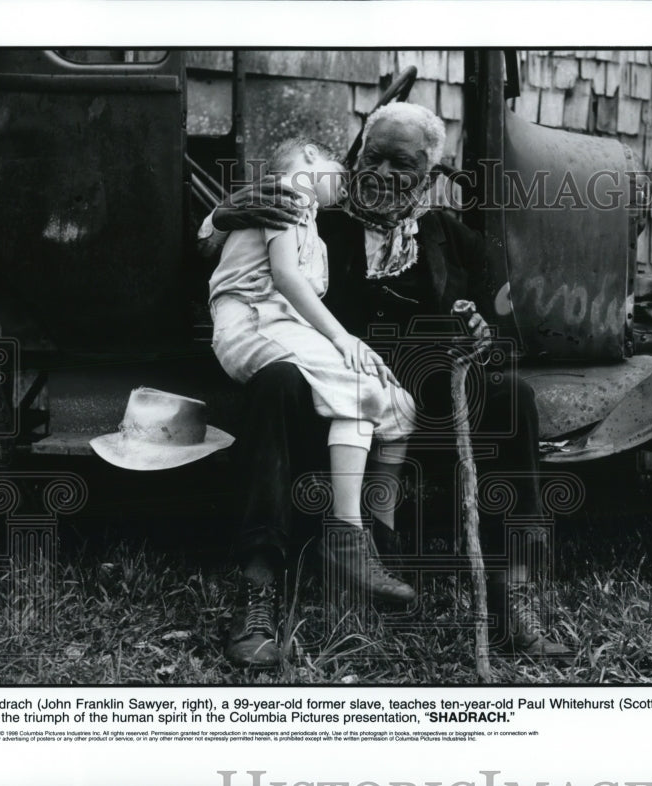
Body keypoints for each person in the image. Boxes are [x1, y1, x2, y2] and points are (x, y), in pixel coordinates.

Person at [200, 103, 572, 668]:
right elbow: (224, 249)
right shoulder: (317, 215)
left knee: (511, 398)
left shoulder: (453, 237)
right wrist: (223, 213)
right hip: (327, 397)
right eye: (374, 157)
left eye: (403, 164)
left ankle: (510, 597)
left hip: (421, 400)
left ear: (428, 174)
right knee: (275, 381)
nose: (382, 174)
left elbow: (500, 328)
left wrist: (478, 336)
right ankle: (258, 594)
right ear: (356, 156)